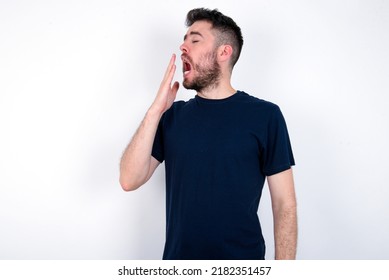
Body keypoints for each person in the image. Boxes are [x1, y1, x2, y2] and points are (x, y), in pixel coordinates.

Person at [120, 8, 297, 260]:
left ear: (224, 52)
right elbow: (129, 180)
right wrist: (155, 110)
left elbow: (284, 205)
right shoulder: (172, 116)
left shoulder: (265, 116)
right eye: (183, 40)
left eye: (194, 39)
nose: (183, 47)